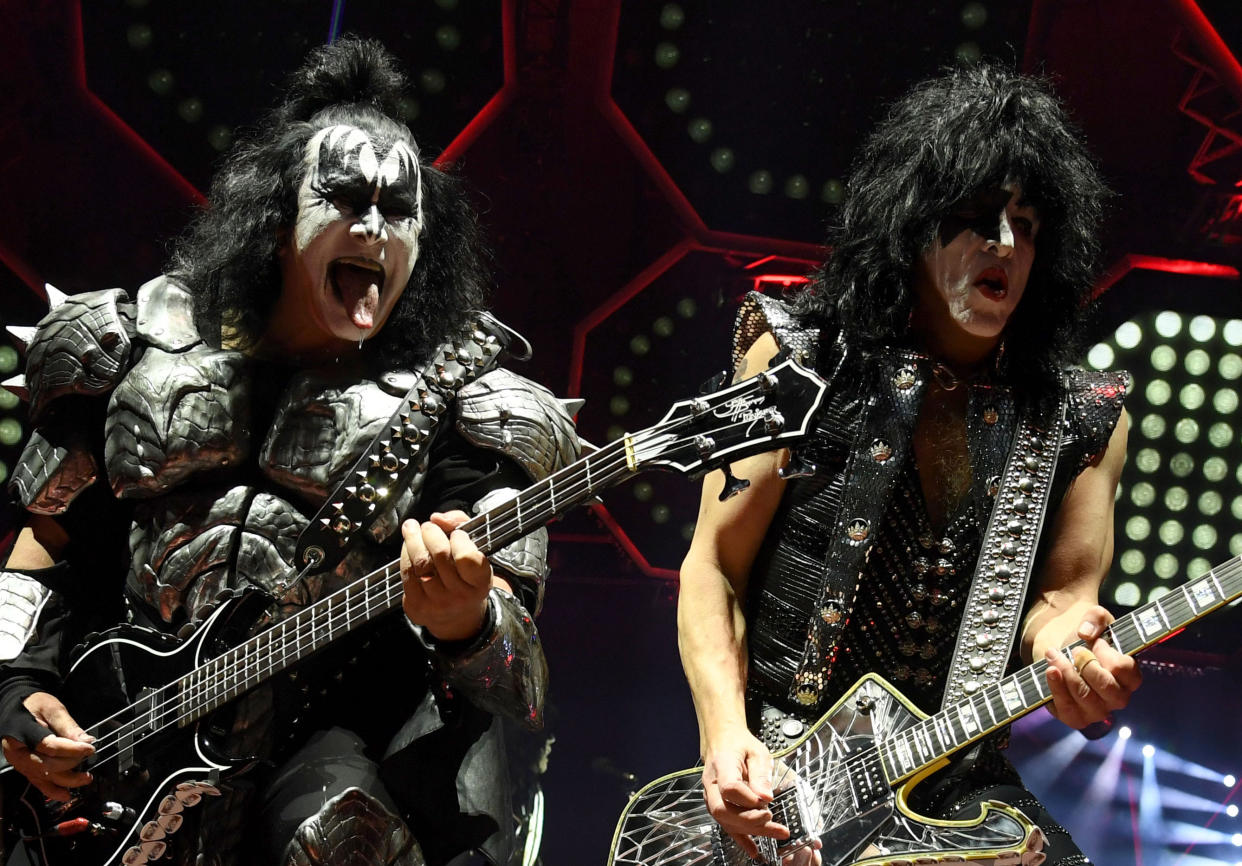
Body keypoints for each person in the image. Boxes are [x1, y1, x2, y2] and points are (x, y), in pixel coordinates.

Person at [0, 36, 577, 866]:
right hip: (106, 737)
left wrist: (466, 622)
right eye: (345, 197)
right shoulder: (130, 345)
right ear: (277, 220)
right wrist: (16, 688)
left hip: (323, 753)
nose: (375, 226)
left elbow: (517, 681)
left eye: (400, 210)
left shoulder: (473, 404)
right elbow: (43, 538)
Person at [677, 64, 1140, 866]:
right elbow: (713, 566)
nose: (1003, 244)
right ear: (909, 224)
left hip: (953, 781)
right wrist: (726, 736)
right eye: (972, 218)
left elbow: (1064, 600)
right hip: (785, 770)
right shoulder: (802, 360)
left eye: (1027, 226)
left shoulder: (1079, 416)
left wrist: (1076, 653)